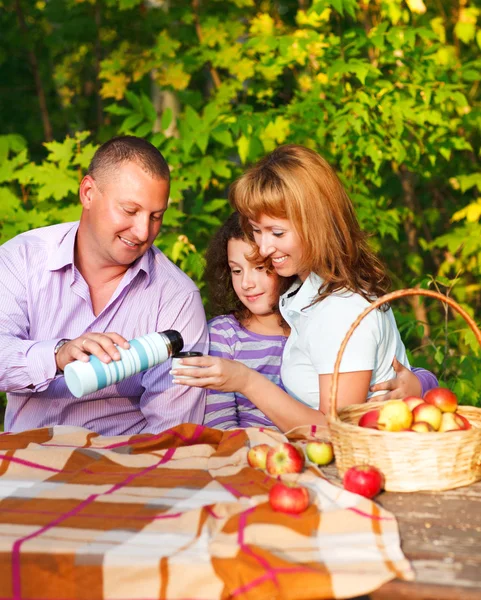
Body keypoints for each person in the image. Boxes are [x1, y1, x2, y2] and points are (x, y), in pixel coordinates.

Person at [172, 145, 435, 432]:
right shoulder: (306, 291)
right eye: (257, 230)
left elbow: (334, 433)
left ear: (315, 224)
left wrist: (245, 380)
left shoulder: (341, 308)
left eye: (277, 232)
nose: (263, 247)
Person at [0, 135, 208, 435]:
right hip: (29, 460)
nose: (142, 231)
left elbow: (172, 430)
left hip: (125, 466)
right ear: (87, 192)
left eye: (156, 216)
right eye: (129, 210)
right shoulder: (21, 259)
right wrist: (57, 356)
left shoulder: (177, 297)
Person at [202, 212, 437, 430]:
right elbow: (219, 425)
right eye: (236, 270)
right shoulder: (226, 335)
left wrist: (420, 384)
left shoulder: (313, 315)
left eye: (260, 267)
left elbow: (394, 369)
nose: (247, 283)